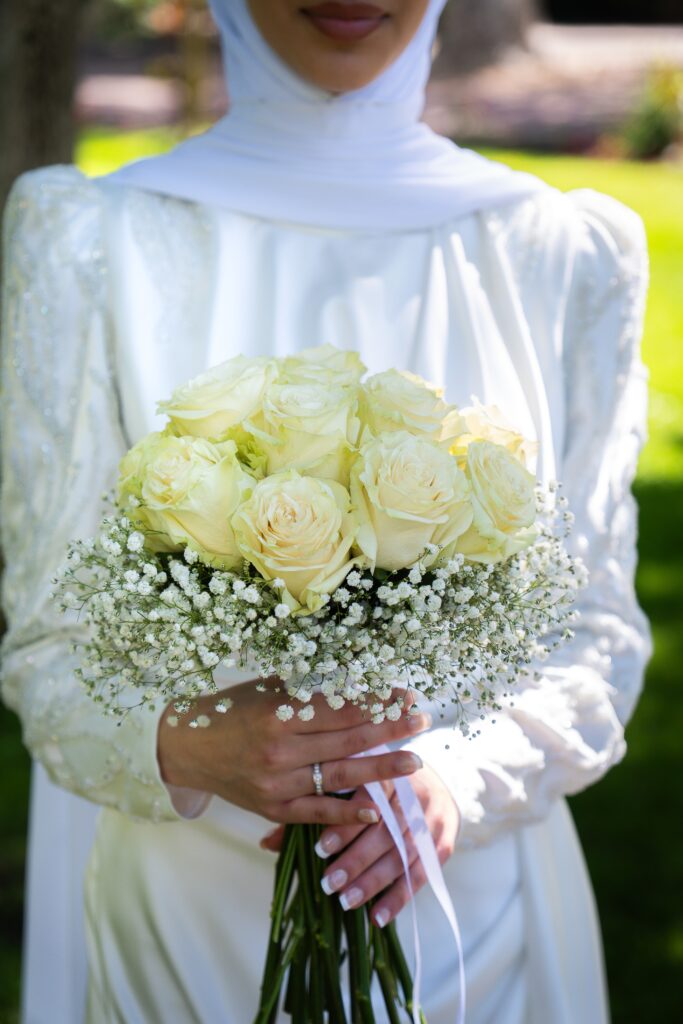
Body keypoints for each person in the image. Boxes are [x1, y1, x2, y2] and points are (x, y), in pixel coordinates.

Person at [0, 1, 651, 1021]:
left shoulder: (559, 251)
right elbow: (46, 649)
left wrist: (447, 784)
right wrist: (189, 740)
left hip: (472, 920)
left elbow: (597, 635)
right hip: (183, 923)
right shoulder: (90, 239)